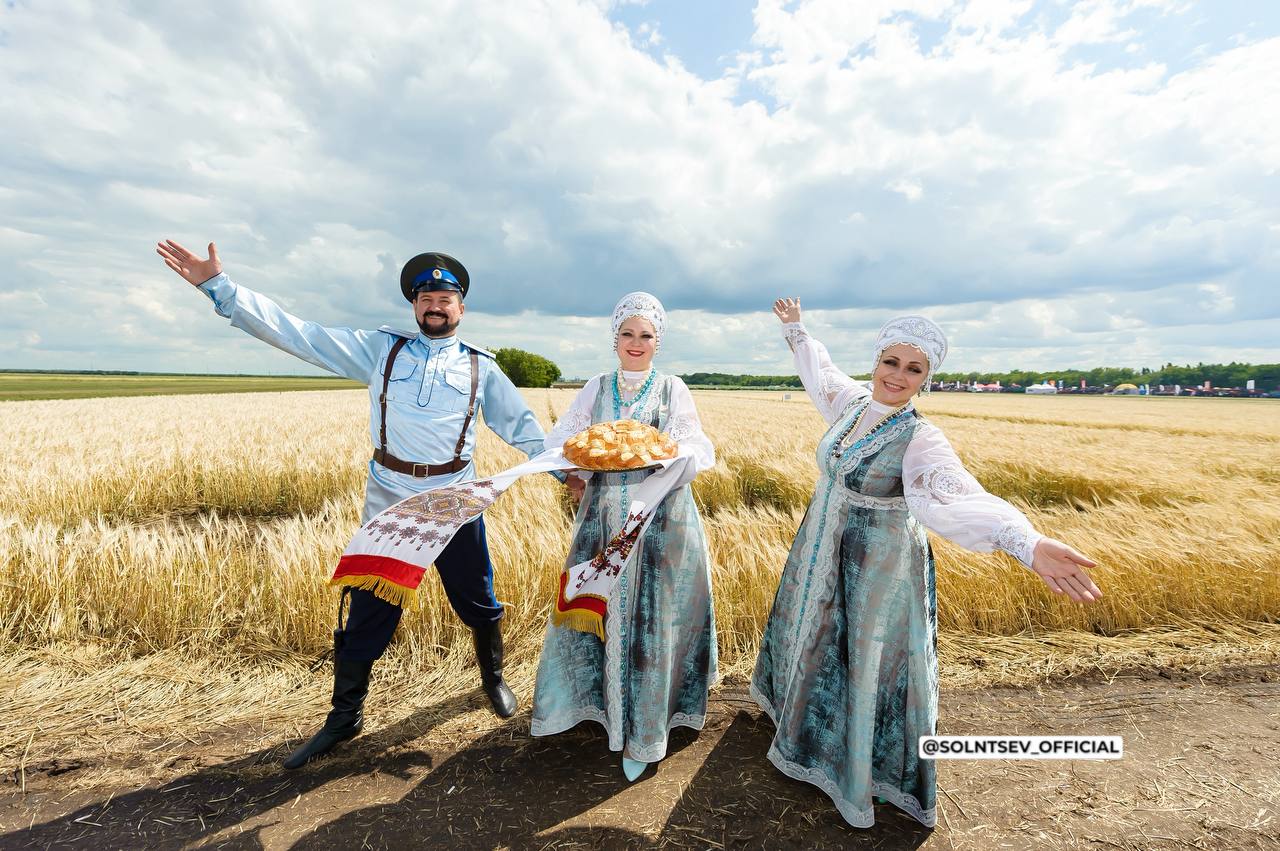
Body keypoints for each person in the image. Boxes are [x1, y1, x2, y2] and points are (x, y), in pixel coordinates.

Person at [155, 239, 567, 769]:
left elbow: (524, 428)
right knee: (369, 607)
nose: (434, 306)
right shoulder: (381, 350)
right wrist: (219, 288)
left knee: (477, 599)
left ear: (461, 308)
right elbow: (300, 334)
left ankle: (492, 677)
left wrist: (567, 472)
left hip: (453, 501)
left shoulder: (480, 367)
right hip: (390, 499)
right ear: (413, 305)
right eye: (425, 298)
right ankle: (344, 717)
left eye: (445, 298)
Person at [751, 298, 1103, 829]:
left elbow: (958, 494)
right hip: (820, 542)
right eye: (890, 362)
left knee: (865, 655)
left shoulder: (921, 438)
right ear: (876, 362)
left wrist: (1026, 542)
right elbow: (820, 371)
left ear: (927, 378)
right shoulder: (851, 404)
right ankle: (803, 730)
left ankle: (864, 770)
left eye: (914, 369)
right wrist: (796, 330)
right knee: (817, 637)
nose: (898, 376)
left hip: (876, 565)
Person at [530, 292, 717, 781]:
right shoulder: (596, 386)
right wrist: (575, 469)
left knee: (654, 618)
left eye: (646, 335)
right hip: (603, 522)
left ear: (658, 341)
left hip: (661, 524)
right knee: (602, 607)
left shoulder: (673, 389)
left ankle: (645, 729)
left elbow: (696, 447)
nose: (636, 343)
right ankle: (596, 707)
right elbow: (561, 440)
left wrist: (664, 454)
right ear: (615, 339)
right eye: (627, 334)